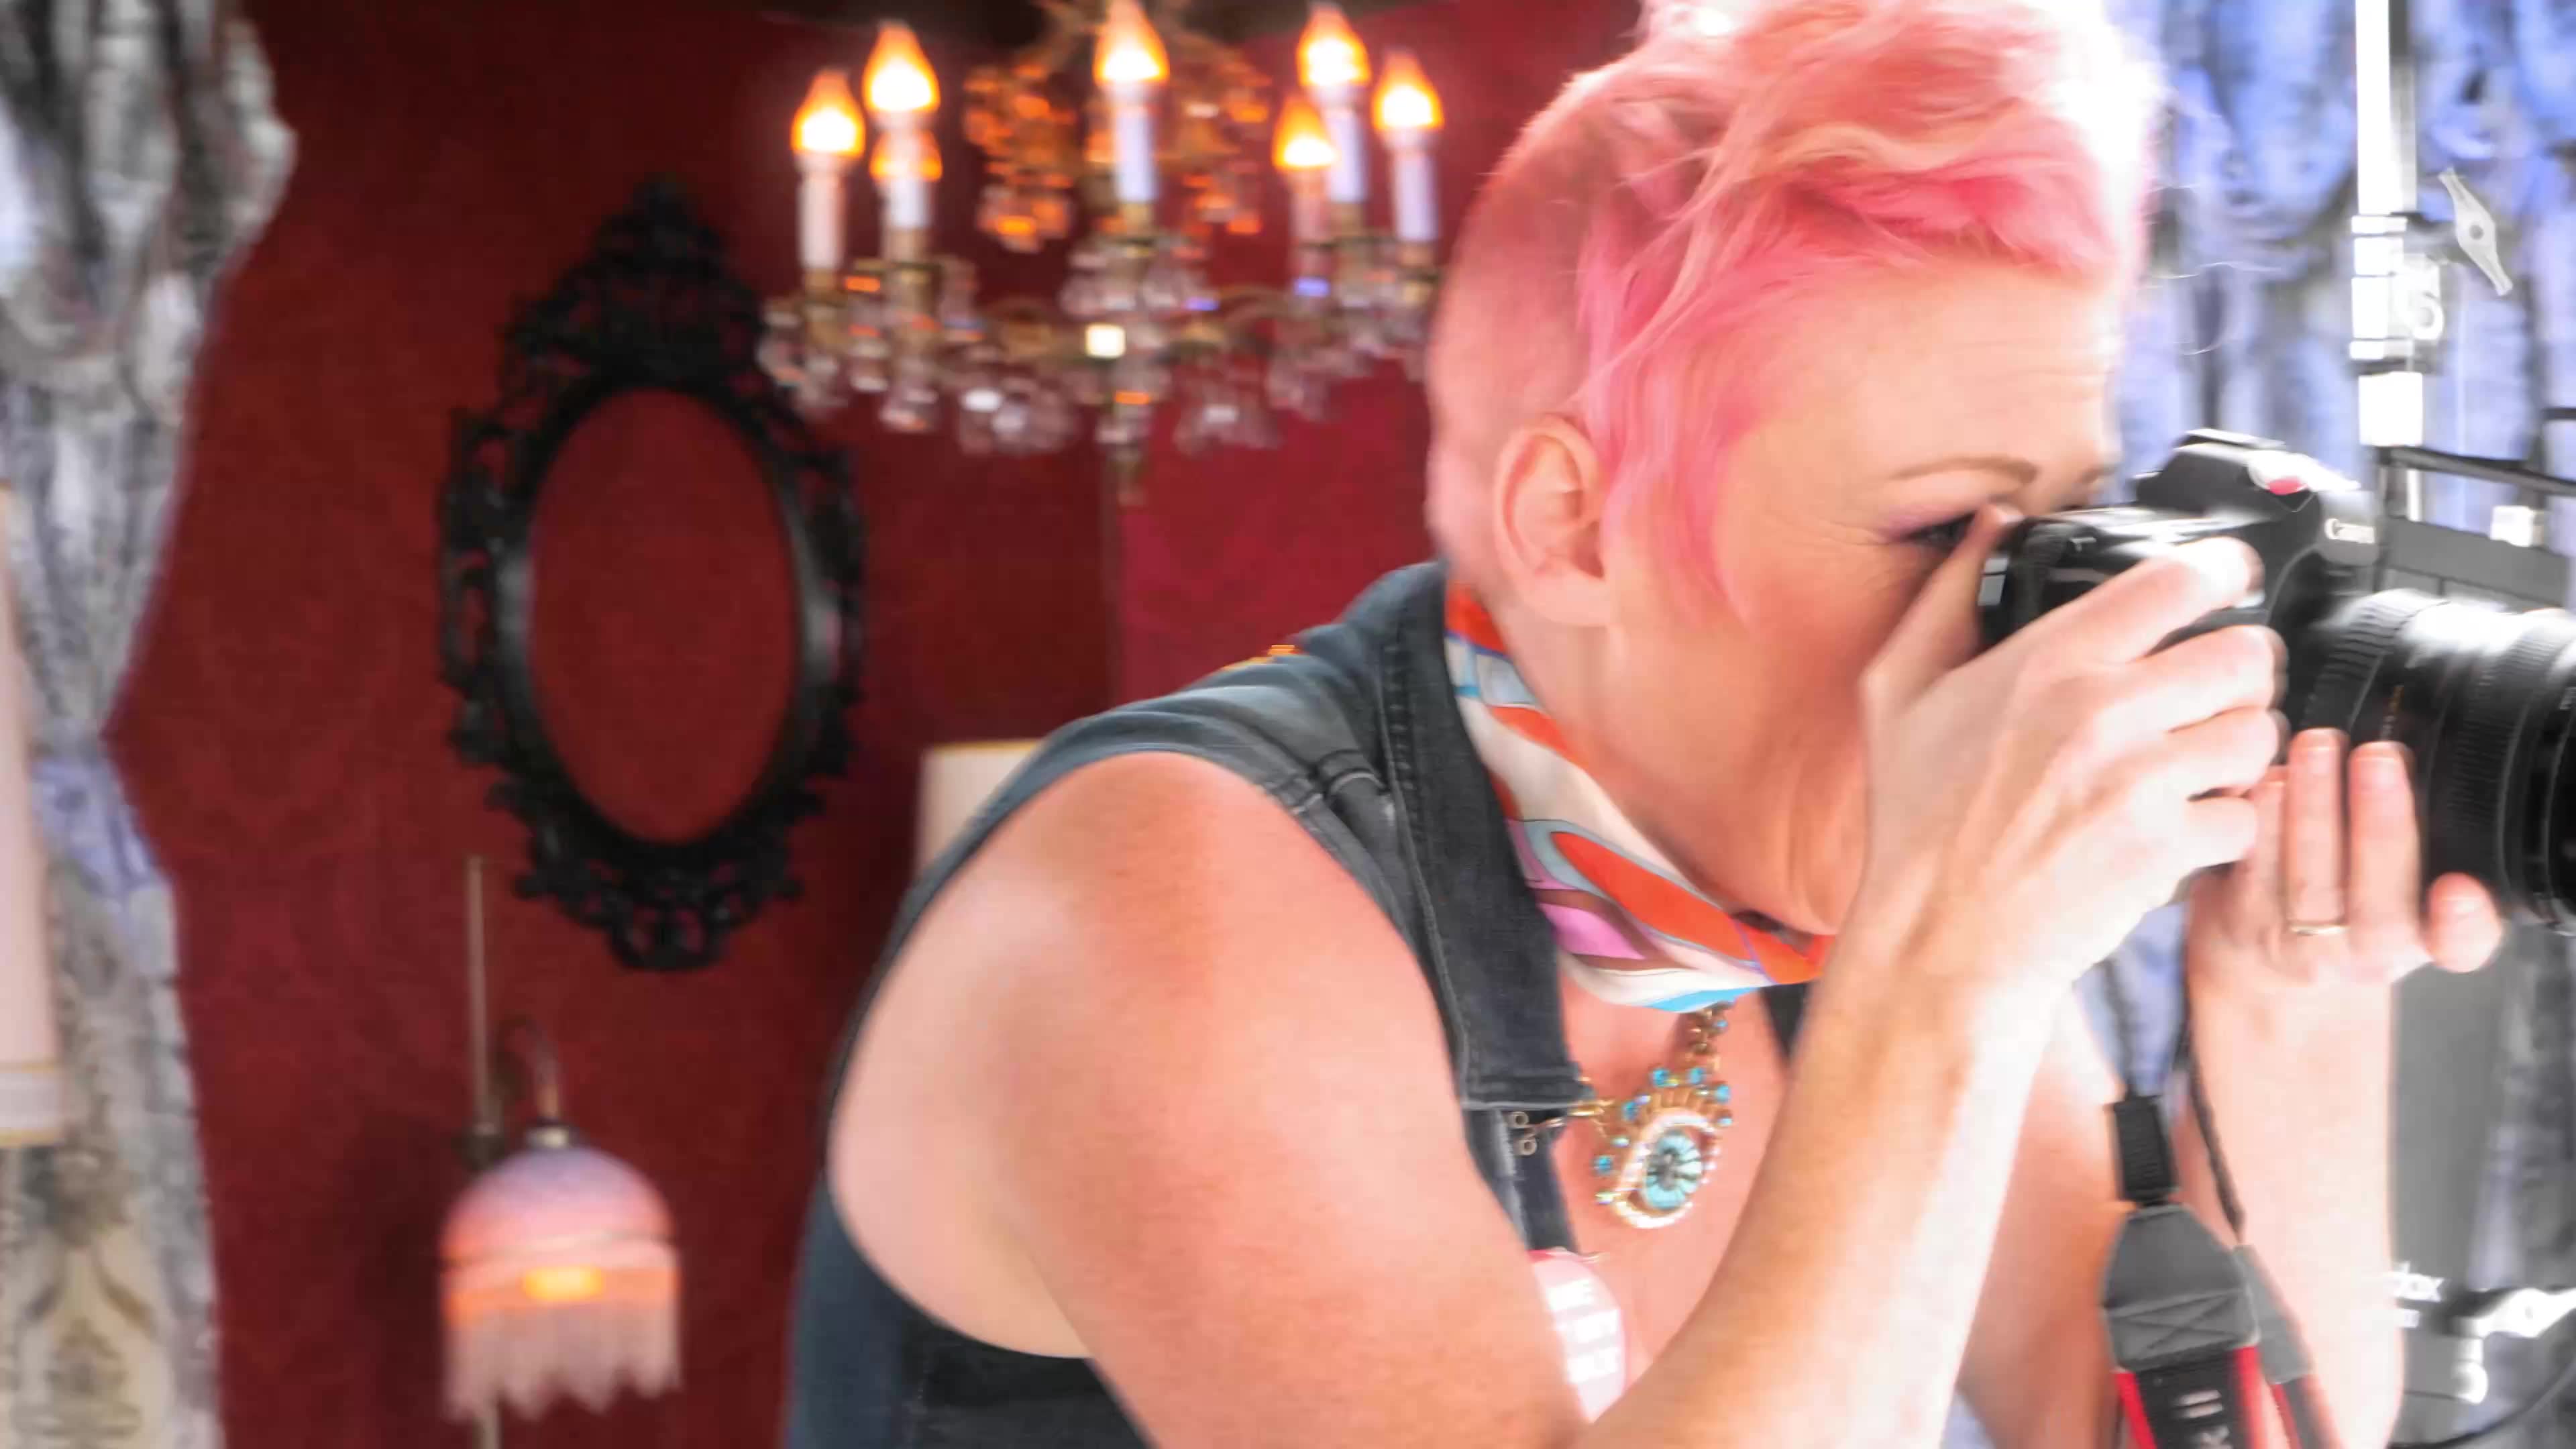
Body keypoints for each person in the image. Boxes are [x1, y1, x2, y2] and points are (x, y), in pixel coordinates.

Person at [782, 0, 2507, 1443]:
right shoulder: (1163, 895)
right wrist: (1946, 977)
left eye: (2061, 531)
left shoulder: (1811, 881)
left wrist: (2283, 993)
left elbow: (2140, 1428)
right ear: (1576, 526)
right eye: (1937, 531)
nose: (2029, 629)